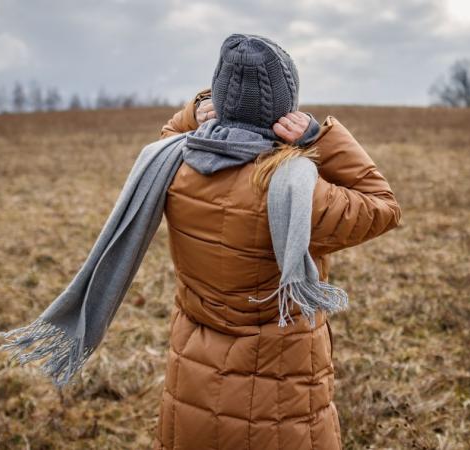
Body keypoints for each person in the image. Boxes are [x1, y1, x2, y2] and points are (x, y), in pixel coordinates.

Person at [153, 34, 402, 449]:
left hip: (192, 382)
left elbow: (168, 134)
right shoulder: (295, 189)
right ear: (284, 110)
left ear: (219, 99)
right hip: (281, 403)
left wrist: (193, 112)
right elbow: (382, 205)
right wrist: (319, 138)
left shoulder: (175, 167)